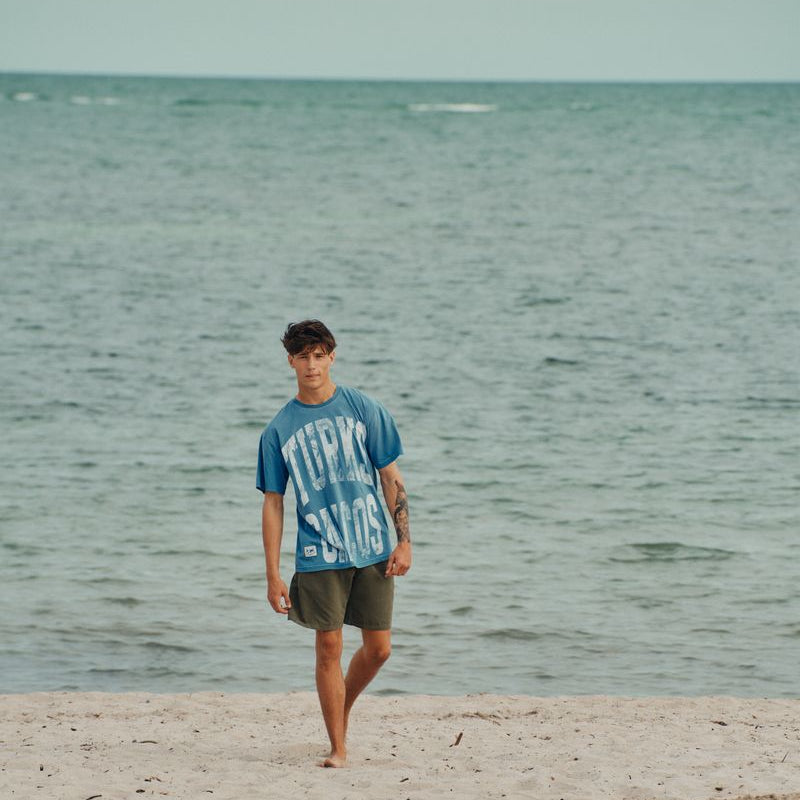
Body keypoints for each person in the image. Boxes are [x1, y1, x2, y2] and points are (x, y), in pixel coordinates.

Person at [257, 319, 412, 768]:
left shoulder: (364, 408)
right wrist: (272, 574)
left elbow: (391, 476)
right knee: (328, 645)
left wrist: (404, 541)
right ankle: (337, 747)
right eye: (302, 357)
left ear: (332, 356)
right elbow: (273, 503)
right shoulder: (278, 430)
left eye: (319, 355)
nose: (311, 365)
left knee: (379, 648)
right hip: (318, 551)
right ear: (290, 361)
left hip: (372, 543)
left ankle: (340, 708)